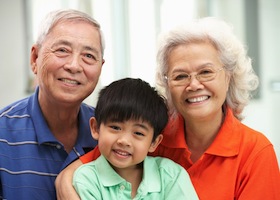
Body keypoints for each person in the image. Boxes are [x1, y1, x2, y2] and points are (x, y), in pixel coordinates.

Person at [55, 17, 280, 200]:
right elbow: (90, 165)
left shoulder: (255, 152)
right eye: (180, 76)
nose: (193, 85)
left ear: (229, 76)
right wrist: (65, 182)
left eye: (206, 72)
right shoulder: (152, 133)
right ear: (167, 84)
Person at [0, 9, 105, 199]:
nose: (74, 65)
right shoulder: (2, 134)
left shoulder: (111, 133)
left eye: (88, 55)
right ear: (35, 59)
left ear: (100, 68)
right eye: (62, 50)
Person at [72, 78, 199, 199]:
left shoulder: (170, 175)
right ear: (95, 128)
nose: (124, 141)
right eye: (115, 128)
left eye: (138, 133)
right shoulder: (86, 179)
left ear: (154, 143)